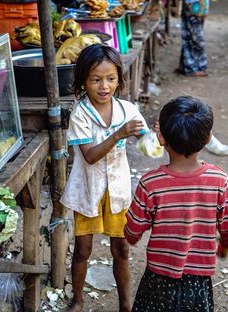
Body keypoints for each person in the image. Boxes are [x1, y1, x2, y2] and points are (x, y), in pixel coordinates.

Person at [60, 43, 150, 312]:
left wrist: (154, 136)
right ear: (83, 81)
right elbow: (89, 156)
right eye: (96, 79)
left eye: (110, 79)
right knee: (83, 250)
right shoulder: (80, 114)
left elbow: (148, 143)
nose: (104, 86)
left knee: (121, 250)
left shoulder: (127, 110)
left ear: (119, 79)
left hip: (118, 190)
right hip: (88, 189)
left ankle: (125, 304)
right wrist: (118, 135)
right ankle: (77, 300)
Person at [124, 96, 228, 312]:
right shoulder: (220, 181)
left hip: (158, 278)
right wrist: (224, 246)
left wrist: (131, 235)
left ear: (161, 138)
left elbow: (133, 230)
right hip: (198, 280)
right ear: (208, 138)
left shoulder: (150, 183)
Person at [177, 0, 209, 77]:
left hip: (193, 5)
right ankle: (193, 68)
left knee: (188, 35)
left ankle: (185, 66)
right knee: (196, 38)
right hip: (195, 5)